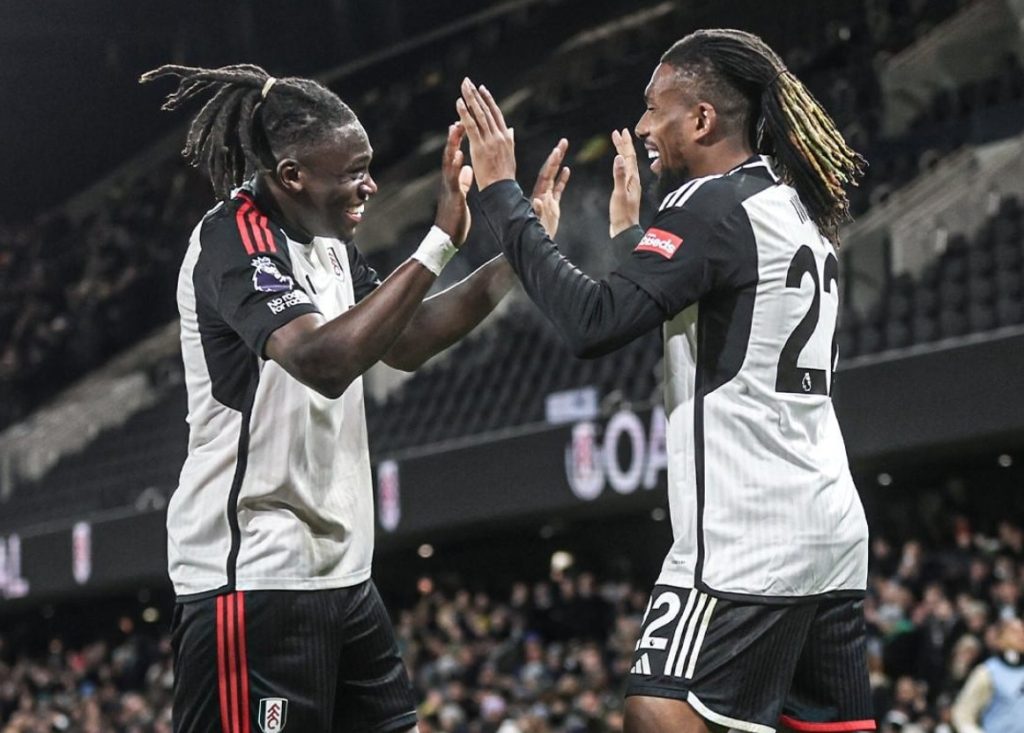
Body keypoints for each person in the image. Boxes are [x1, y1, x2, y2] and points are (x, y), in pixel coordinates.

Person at [456, 28, 874, 733]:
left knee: (658, 706)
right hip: (828, 526)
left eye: (655, 108)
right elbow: (705, 312)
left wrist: (503, 197)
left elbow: (593, 323)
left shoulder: (708, 206)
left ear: (703, 119)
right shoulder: (793, 207)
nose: (644, 126)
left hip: (747, 531)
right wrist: (631, 244)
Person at [140, 63, 569, 733]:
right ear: (291, 176)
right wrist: (440, 240)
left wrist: (518, 249)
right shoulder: (235, 238)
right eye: (351, 172)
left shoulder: (335, 245)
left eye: (367, 166)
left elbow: (408, 336)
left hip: (340, 575)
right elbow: (323, 360)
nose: (369, 183)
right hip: (254, 578)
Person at [951, 617, 1024, 733]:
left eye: (1022, 630)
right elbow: (963, 712)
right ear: (1000, 639)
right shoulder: (988, 672)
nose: (1021, 636)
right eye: (1014, 631)